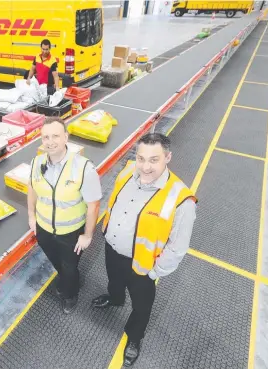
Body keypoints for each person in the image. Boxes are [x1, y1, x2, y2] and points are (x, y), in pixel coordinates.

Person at [91, 133, 197, 367]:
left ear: (168, 157)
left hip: (143, 266)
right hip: (112, 249)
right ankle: (115, 298)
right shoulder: (128, 171)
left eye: (153, 160)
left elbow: (178, 248)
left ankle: (135, 337)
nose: (145, 167)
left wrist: (155, 272)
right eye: (141, 158)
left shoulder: (181, 199)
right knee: (114, 282)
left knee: (141, 306)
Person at [28, 117, 101, 314]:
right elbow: (32, 189)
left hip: (71, 233)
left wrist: (87, 235)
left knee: (70, 268)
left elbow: (93, 205)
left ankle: (71, 294)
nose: (50, 141)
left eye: (55, 136)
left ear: (66, 137)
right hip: (43, 229)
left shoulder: (84, 168)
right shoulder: (36, 162)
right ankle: (66, 279)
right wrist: (31, 217)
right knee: (56, 262)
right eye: (45, 137)